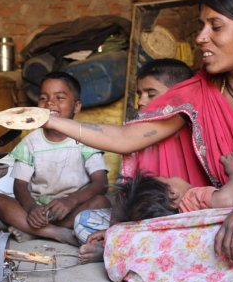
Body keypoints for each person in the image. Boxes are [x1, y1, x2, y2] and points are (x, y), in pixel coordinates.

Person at [43, 0, 233, 264]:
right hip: (225, 217)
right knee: (123, 231)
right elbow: (125, 138)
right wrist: (49, 119)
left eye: (215, 27)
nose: (201, 37)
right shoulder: (198, 95)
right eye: (201, 26)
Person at [75, 58, 194, 261]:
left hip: (181, 221)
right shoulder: (137, 134)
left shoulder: (192, 132)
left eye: (150, 94)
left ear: (178, 95)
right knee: (83, 220)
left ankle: (117, 250)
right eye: (139, 94)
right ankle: (120, 246)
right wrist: (113, 230)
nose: (141, 101)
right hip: (139, 221)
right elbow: (127, 194)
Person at [0, 72, 111, 246]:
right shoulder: (30, 142)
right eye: (43, 98)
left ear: (77, 106)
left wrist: (71, 201)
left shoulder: (86, 138)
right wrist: (32, 208)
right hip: (38, 209)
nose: (50, 103)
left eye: (60, 97)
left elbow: (101, 183)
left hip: (73, 207)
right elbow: (20, 186)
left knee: (101, 202)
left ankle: (34, 231)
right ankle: (57, 233)